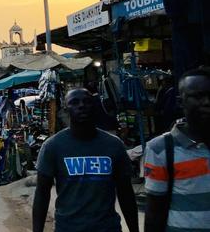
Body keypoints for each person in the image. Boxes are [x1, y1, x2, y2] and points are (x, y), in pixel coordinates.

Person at [32, 88, 138, 232]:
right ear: (65, 108)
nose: (81, 106)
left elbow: (126, 193)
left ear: (94, 106)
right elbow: (42, 194)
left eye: (87, 102)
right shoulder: (53, 146)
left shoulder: (114, 145)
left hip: (107, 228)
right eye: (74, 102)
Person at [144, 66, 210, 232]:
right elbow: (154, 212)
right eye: (198, 96)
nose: (207, 102)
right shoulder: (160, 149)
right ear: (181, 102)